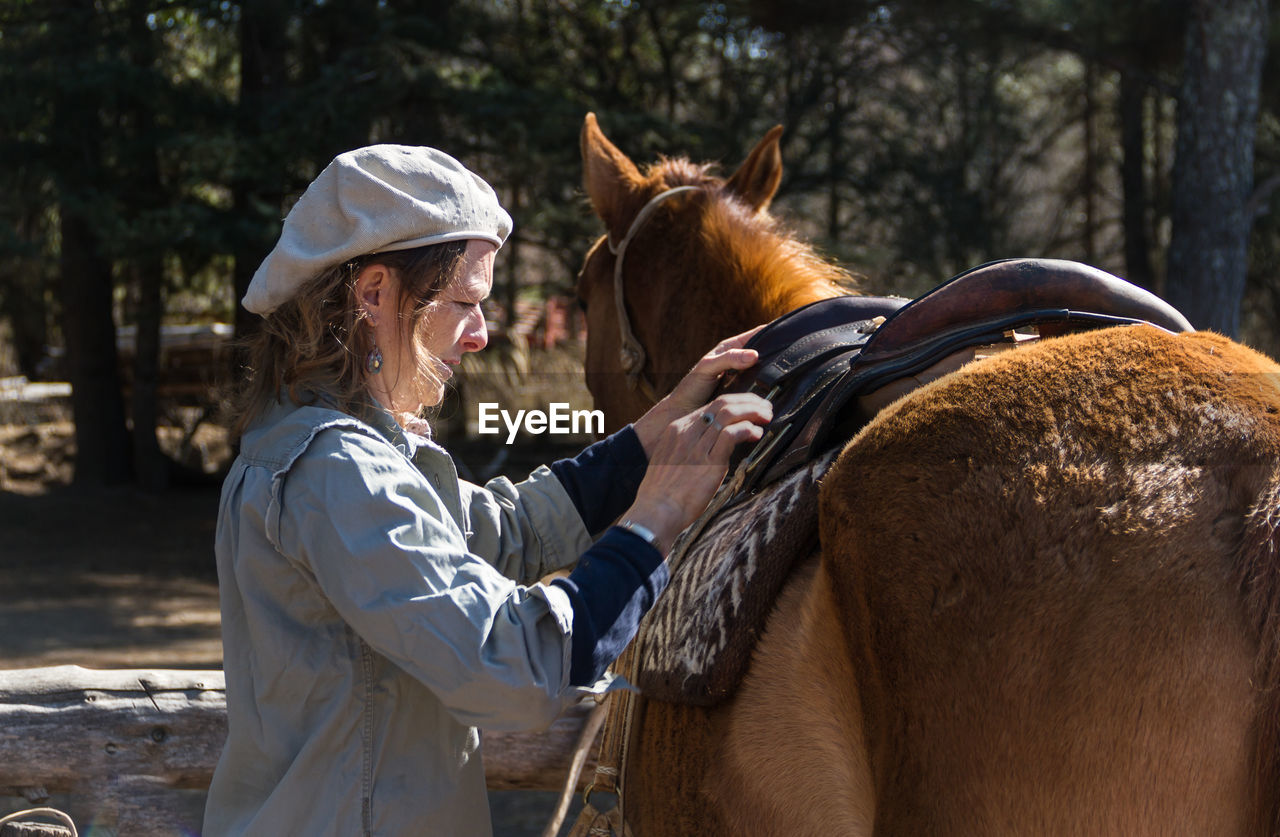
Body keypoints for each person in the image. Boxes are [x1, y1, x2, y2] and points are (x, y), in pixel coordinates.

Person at [203, 144, 772, 836]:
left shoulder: (322, 446)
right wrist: (652, 524)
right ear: (375, 293)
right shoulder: (338, 470)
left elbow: (506, 532)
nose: (479, 335)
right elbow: (514, 668)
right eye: (465, 301)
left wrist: (650, 435)